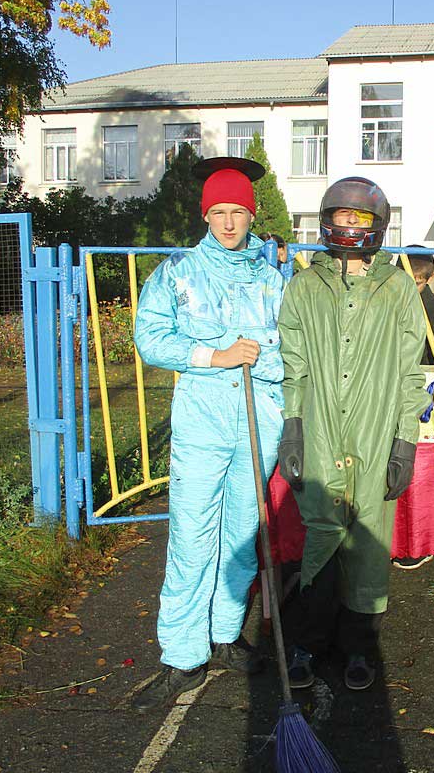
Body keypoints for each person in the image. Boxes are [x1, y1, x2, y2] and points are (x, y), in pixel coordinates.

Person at [131, 157, 284, 712]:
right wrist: (214, 355)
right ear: (205, 215)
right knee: (193, 533)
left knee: (242, 530)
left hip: (259, 413)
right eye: (218, 212)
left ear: (252, 214)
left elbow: (294, 348)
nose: (228, 223)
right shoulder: (178, 272)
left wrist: (265, 365)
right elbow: (150, 337)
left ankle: (223, 634)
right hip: (203, 414)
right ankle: (181, 653)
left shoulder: (273, 279)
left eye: (237, 212)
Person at [278, 177, 430, 691]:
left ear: (377, 225)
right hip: (321, 427)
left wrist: (404, 439)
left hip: (375, 429)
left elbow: (410, 370)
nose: (348, 225)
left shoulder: (397, 287)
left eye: (359, 217)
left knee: (367, 539)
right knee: (322, 534)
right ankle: (308, 641)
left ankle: (360, 646)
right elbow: (293, 364)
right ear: (326, 221)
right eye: (341, 216)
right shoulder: (303, 286)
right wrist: (293, 428)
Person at [397, 247, 434, 365]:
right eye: (406, 282)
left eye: (417, 284)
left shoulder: (433, 307)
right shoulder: (390, 298)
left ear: (430, 278)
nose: (411, 289)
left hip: (420, 365)